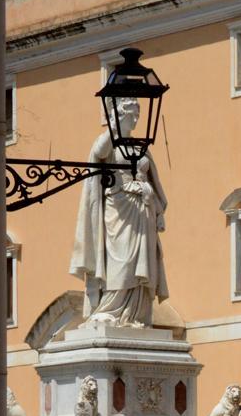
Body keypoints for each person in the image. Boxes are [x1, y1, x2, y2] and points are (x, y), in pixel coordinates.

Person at [69, 96, 169, 328]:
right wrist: (112, 130)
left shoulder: (139, 147)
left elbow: (153, 181)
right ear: (118, 115)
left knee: (140, 263)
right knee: (120, 260)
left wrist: (158, 211)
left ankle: (134, 314)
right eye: (130, 114)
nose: (135, 119)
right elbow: (98, 153)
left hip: (143, 208)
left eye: (137, 115)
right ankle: (110, 309)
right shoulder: (108, 143)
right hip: (118, 209)